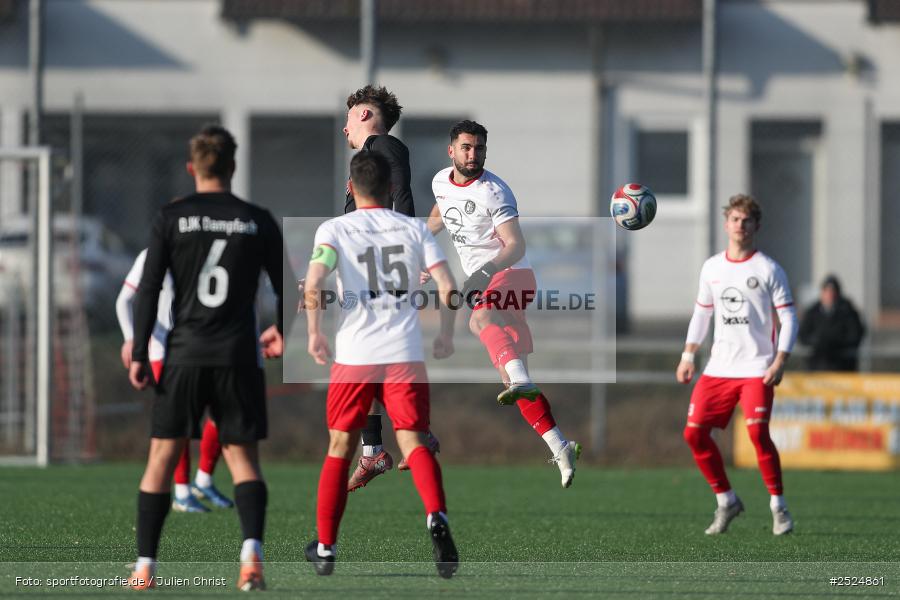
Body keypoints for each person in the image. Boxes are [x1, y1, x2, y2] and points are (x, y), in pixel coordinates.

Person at [126, 125, 288, 591]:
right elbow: (288, 285)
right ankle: (251, 558)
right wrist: (280, 330)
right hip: (239, 354)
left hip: (184, 354)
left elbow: (149, 288)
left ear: (191, 168)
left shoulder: (170, 217)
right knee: (243, 460)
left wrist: (139, 351)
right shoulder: (257, 219)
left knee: (161, 456)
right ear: (233, 167)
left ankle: (144, 569)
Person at [303, 150, 459, 578]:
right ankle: (436, 517)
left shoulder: (334, 229)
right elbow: (447, 285)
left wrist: (315, 332)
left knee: (340, 447)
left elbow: (315, 281)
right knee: (412, 442)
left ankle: (327, 547)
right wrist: (446, 333)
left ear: (351, 188)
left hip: (354, 357)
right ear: (391, 189)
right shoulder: (413, 229)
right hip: (403, 355)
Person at [427, 120, 581, 488]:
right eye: (466, 147)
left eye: (479, 148)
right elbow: (436, 221)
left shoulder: (495, 191)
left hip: (512, 275)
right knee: (512, 376)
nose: (473, 154)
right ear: (451, 150)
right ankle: (561, 447)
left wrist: (484, 272)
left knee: (478, 321)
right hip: (489, 282)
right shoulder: (439, 182)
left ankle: (522, 381)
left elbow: (516, 246)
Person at [675, 194, 798, 536]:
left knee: (758, 433)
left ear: (756, 226)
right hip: (718, 369)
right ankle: (727, 500)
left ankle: (779, 506)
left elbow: (788, 318)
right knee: (694, 434)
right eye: (734, 219)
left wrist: (780, 359)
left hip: (758, 368)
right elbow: (702, 313)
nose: (740, 226)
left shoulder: (769, 269)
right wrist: (688, 355)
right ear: (726, 223)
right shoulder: (712, 267)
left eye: (746, 221)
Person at [338, 84, 438, 491]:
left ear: (363, 114)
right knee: (369, 361)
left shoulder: (386, 146)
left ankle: (412, 435)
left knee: (371, 360)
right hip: (365, 273)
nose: (344, 128)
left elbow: (402, 195)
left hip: (383, 273)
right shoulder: (366, 160)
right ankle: (374, 450)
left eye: (347, 118)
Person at [116, 249, 233, 513]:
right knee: (178, 422)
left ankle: (202, 480)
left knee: (223, 410)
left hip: (201, 346)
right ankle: (181, 492)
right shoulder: (151, 254)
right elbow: (123, 300)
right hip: (164, 351)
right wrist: (130, 339)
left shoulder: (205, 247)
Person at [798, 275, 866, 371]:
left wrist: (836, 342)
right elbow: (803, 336)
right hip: (817, 366)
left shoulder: (848, 312)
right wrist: (818, 341)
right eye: (827, 291)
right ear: (822, 292)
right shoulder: (812, 312)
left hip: (843, 367)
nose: (830, 294)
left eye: (833, 291)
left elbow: (855, 335)